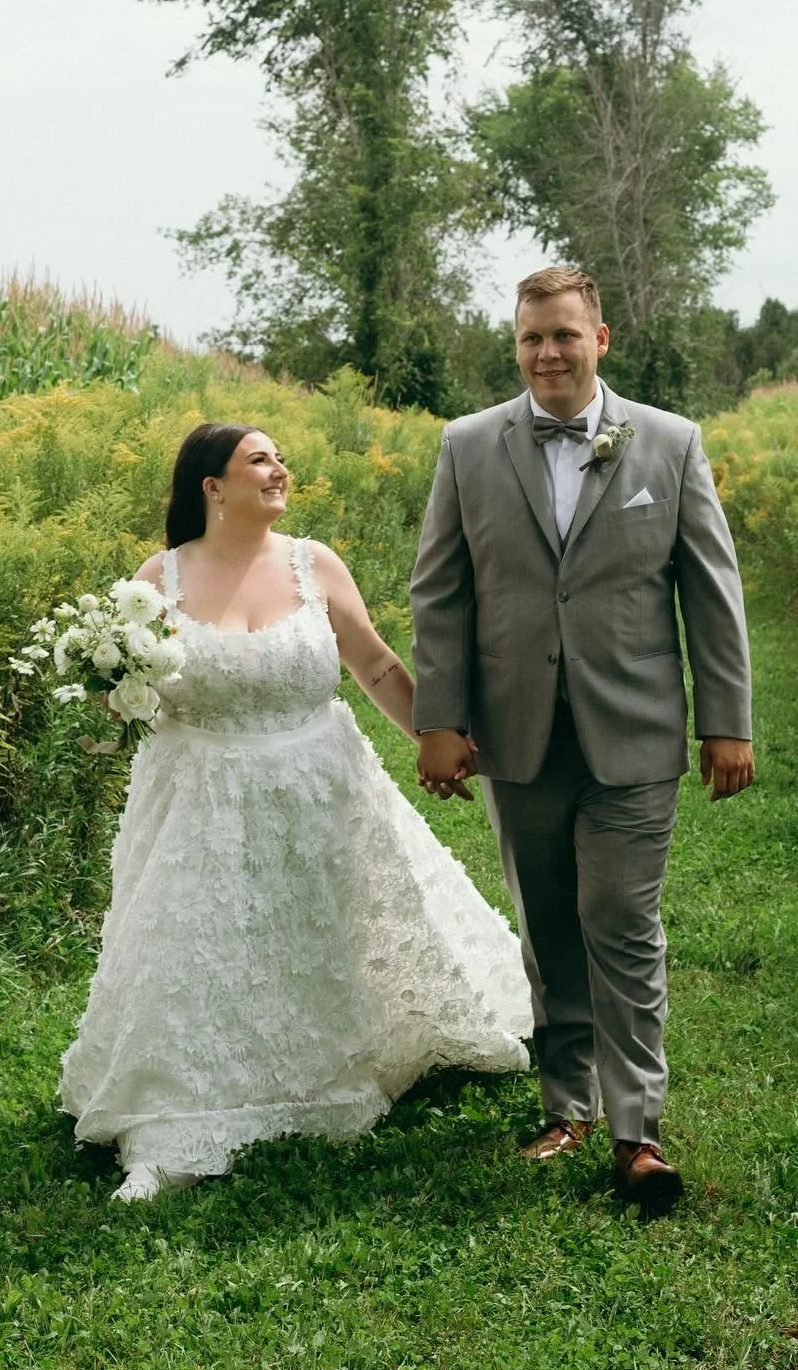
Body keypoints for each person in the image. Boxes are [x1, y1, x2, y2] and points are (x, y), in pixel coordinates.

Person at [58, 422, 531, 1201]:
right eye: (260, 459)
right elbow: (123, 694)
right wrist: (108, 683)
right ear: (213, 486)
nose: (280, 469)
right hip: (201, 801)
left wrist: (439, 740)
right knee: (192, 954)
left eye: (280, 458)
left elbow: (374, 663)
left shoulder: (316, 565)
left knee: (327, 937)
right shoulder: (160, 579)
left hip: (319, 786)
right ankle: (171, 1131)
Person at [409, 266, 756, 1215]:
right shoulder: (469, 446)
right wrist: (438, 720)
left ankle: (637, 1132)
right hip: (515, 734)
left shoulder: (671, 444)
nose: (547, 353)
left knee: (623, 922)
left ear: (601, 338)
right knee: (549, 926)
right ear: (515, 345)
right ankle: (567, 1103)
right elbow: (440, 594)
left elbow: (709, 595)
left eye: (565, 335)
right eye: (531, 338)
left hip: (635, 729)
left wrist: (727, 719)